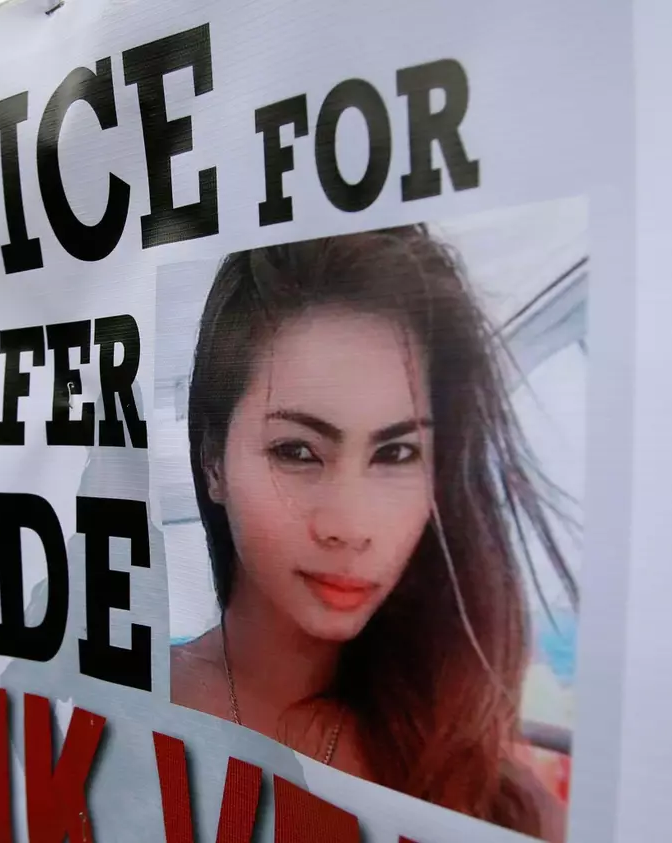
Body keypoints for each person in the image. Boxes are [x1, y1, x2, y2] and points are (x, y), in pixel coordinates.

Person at [169, 226, 573, 840]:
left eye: (396, 454)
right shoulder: (101, 704)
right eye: (298, 451)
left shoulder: (491, 798)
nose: (349, 527)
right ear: (212, 461)